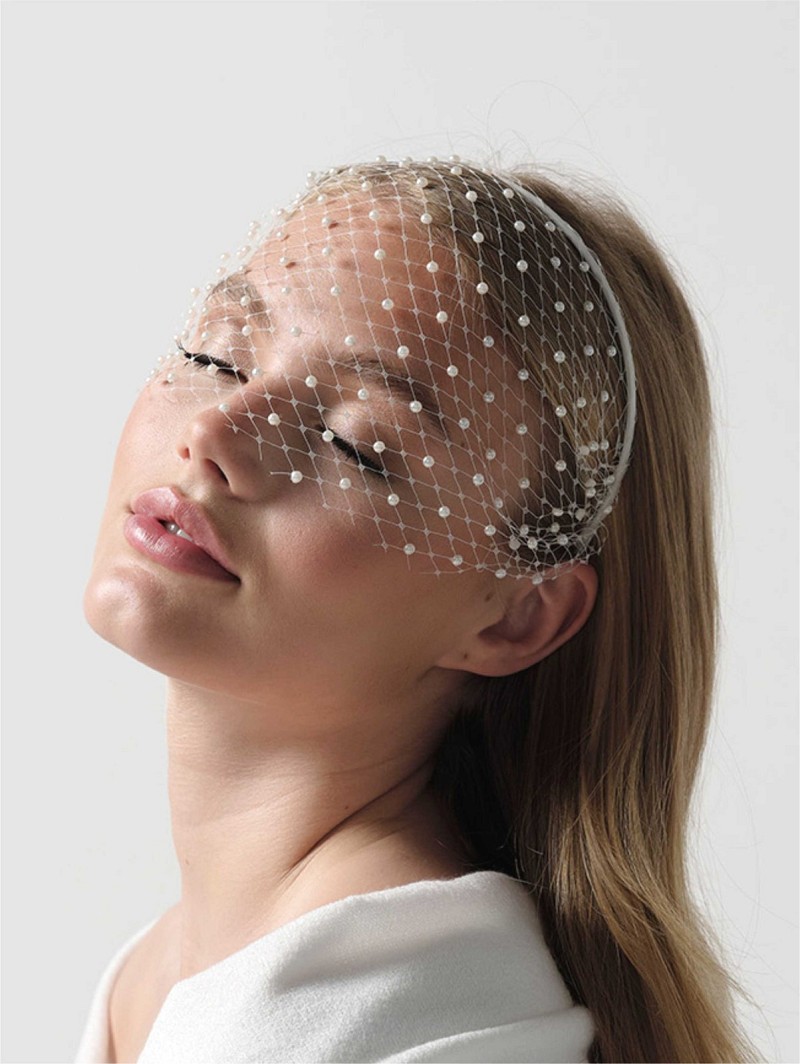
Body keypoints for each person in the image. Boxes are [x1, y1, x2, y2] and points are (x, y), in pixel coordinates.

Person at [74, 157, 761, 1064]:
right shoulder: (167, 972)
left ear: (514, 617)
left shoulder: (385, 1010)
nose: (213, 433)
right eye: (218, 356)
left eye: (354, 443)